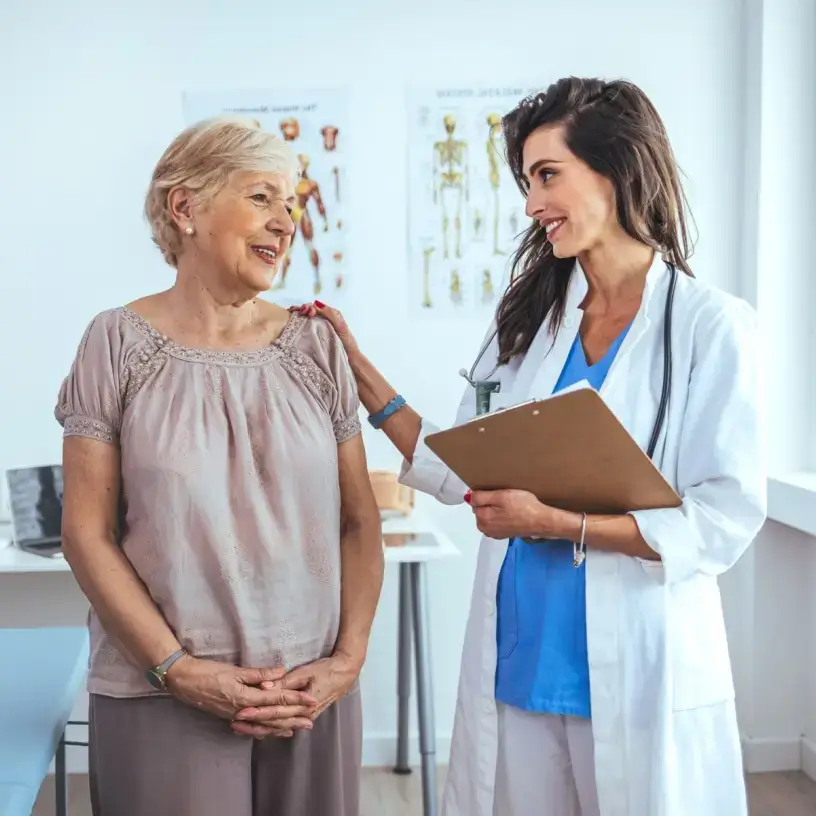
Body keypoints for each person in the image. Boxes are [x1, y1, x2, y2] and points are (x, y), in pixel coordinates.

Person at [295, 77, 766, 816]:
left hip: (643, 665)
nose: (530, 204)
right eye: (524, 181)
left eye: (547, 175)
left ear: (617, 171)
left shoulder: (711, 326)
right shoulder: (534, 319)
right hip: (520, 660)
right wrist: (357, 368)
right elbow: (455, 466)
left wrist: (561, 524)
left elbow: (726, 516)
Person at [55, 116, 383, 816]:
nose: (286, 220)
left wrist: (346, 662)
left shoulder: (318, 346)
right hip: (162, 694)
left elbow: (360, 522)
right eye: (263, 196)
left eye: (291, 202)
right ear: (186, 208)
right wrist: (177, 670)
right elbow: (86, 534)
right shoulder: (114, 343)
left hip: (310, 697)